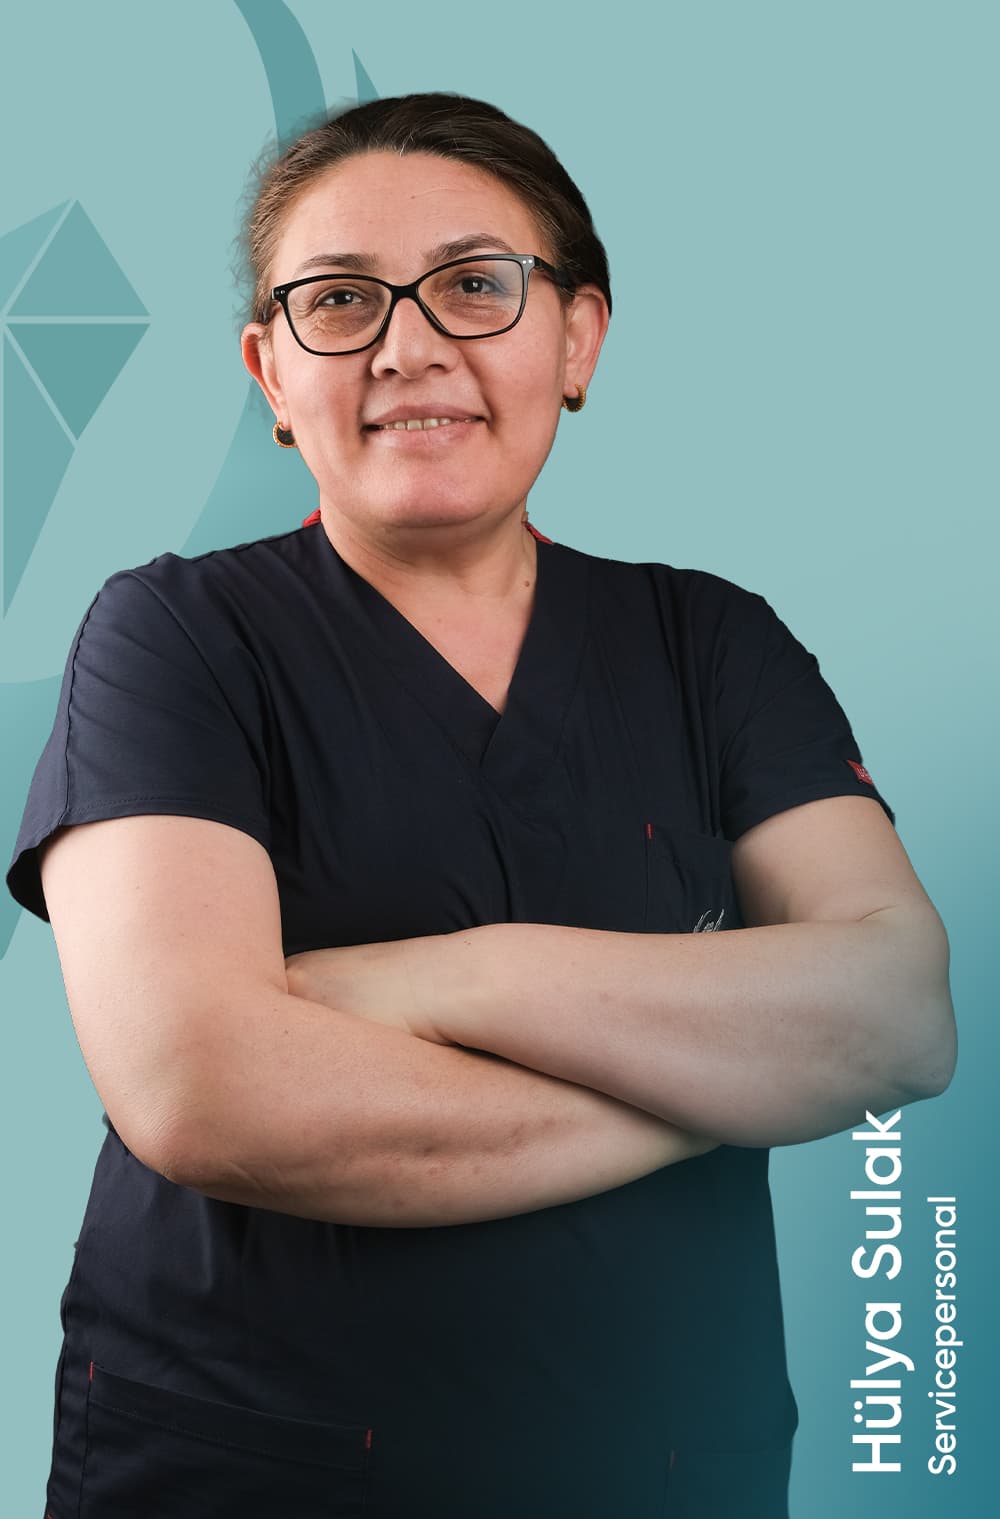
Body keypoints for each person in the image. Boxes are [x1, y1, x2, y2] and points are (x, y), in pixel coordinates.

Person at [7, 92, 955, 1519]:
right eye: (339, 301)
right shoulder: (174, 636)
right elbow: (202, 1091)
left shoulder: (714, 644)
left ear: (578, 339)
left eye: (473, 286)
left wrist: (455, 979)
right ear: (270, 372)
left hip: (662, 1470)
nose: (407, 346)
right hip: (249, 1469)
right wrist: (728, 1081)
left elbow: (899, 1014)